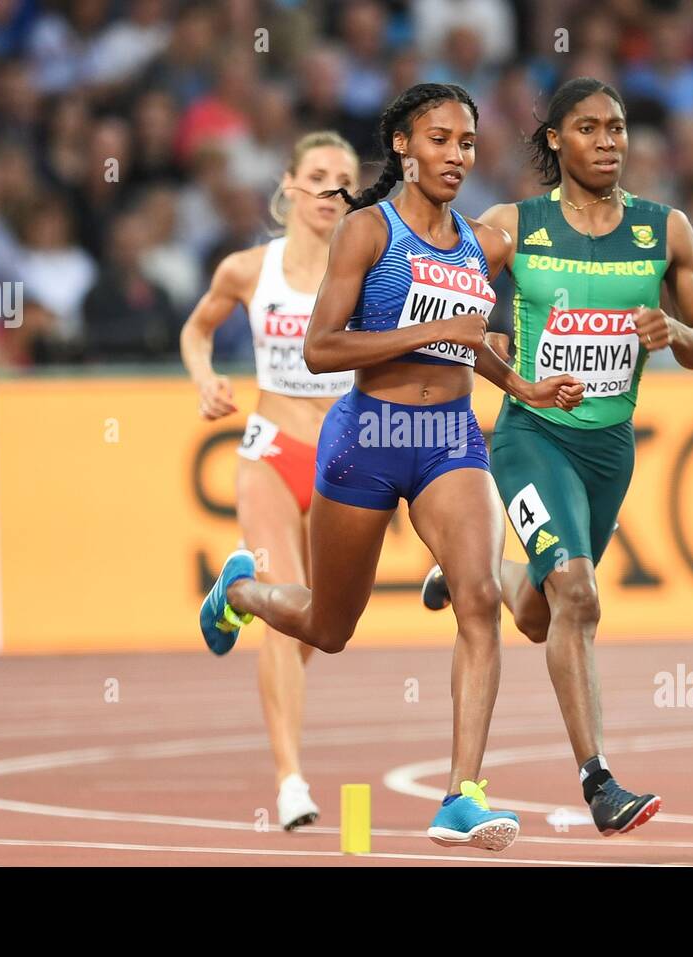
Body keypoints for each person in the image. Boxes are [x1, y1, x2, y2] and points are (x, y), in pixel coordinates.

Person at [199, 83, 583, 851]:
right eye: (440, 139)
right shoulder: (366, 233)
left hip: (449, 437)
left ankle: (461, 795)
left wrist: (521, 384)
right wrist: (420, 333)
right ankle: (240, 588)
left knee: (479, 598)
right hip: (367, 434)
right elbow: (321, 348)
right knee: (329, 627)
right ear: (405, 148)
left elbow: (469, 338)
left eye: (468, 143)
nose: (456, 155)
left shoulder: (476, 241)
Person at [422, 76, 693, 836]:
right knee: (580, 598)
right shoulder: (510, 226)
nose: (609, 140)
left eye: (617, 127)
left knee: (535, 613)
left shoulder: (666, 230)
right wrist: (507, 365)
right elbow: (458, 319)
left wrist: (674, 335)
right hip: (531, 435)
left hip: (608, 450)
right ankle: (599, 783)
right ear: (555, 140)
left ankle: (479, 575)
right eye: (589, 128)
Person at [180, 131, 359, 830]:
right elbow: (197, 330)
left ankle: (233, 594)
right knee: (286, 621)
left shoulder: (373, 275)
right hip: (271, 451)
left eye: (344, 179)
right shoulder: (249, 269)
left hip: (346, 462)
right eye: (316, 176)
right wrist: (205, 380)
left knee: (323, 624)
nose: (329, 191)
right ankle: (290, 780)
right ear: (288, 185)